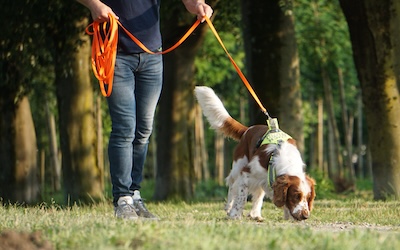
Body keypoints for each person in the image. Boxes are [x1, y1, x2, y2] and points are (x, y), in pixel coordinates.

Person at [77, 0, 213, 220]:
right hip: (116, 55)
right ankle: (122, 200)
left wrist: (198, 5)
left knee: (143, 130)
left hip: (152, 56)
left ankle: (135, 194)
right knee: (125, 128)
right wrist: (94, 5)